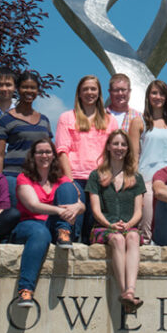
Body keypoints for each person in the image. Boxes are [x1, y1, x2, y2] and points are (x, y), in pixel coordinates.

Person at [11, 139, 84, 307]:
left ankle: (64, 233)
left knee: (67, 189)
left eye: (48, 152)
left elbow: (82, 205)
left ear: (53, 155)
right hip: (29, 224)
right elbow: (33, 205)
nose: (44, 155)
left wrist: (76, 207)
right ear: (33, 156)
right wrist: (60, 211)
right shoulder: (25, 178)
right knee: (40, 234)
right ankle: (25, 291)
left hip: (54, 226)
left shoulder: (62, 179)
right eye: (40, 152)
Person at [85, 130, 145, 312]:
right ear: (109, 147)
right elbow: (95, 210)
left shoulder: (136, 177)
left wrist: (128, 224)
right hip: (104, 227)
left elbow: (138, 211)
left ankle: (130, 290)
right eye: (116, 144)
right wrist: (110, 225)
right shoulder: (96, 176)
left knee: (133, 237)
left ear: (128, 149)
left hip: (128, 226)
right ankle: (124, 292)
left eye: (123, 145)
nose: (120, 148)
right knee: (118, 239)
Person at [56, 75, 118, 241]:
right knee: (75, 222)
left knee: (93, 225)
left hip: (99, 179)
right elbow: (62, 151)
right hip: (75, 176)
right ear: (79, 93)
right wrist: (69, 181)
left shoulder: (109, 120)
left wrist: (108, 174)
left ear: (99, 93)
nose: (89, 92)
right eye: (86, 89)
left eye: (93, 89)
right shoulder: (67, 118)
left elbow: (114, 152)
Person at [128, 80, 167, 242]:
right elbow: (133, 155)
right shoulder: (139, 122)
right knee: (148, 209)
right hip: (148, 178)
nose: (158, 97)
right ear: (148, 96)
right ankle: (145, 240)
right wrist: (134, 180)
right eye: (154, 93)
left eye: (161, 93)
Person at [0, 71, 53, 209]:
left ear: (38, 91)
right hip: (13, 176)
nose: (29, 91)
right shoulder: (5, 120)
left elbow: (50, 150)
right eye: (25, 87)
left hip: (38, 178)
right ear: (18, 89)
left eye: (33, 88)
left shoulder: (44, 120)